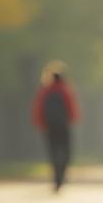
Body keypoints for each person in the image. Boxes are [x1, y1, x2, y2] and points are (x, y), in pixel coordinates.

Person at [32, 61, 81, 192]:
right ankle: (62, 173)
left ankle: (56, 176)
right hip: (64, 125)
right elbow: (71, 107)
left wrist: (41, 123)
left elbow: (39, 108)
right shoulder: (65, 89)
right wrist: (73, 119)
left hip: (49, 126)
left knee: (53, 151)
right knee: (66, 150)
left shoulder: (45, 91)